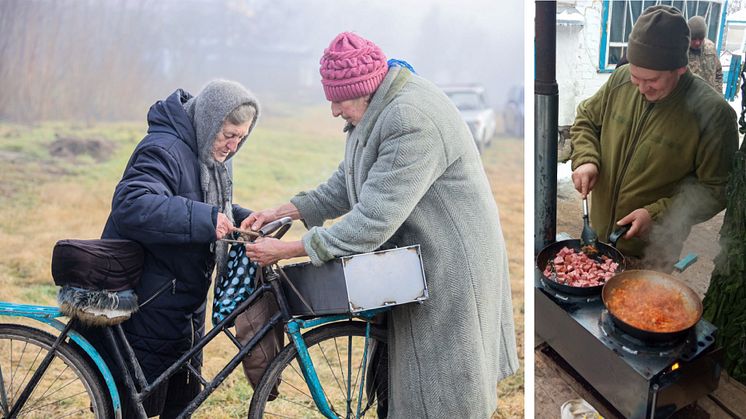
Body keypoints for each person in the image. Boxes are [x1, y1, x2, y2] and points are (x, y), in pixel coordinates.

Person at [241, 32, 518, 417]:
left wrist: (287, 250)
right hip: (412, 260)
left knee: (443, 392)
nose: (334, 110)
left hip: (452, 265)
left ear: (364, 88)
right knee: (402, 382)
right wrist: (282, 212)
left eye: (339, 100)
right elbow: (347, 182)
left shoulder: (410, 119)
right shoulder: (374, 112)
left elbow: (373, 219)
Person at [90, 79, 259, 418]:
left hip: (183, 304)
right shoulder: (163, 148)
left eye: (241, 138)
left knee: (178, 406)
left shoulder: (210, 152)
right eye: (228, 135)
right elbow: (132, 204)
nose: (233, 147)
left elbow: (203, 202)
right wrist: (205, 219)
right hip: (148, 300)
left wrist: (242, 218)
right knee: (133, 406)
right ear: (209, 121)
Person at [570, 5, 738, 270]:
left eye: (652, 80)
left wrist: (657, 214)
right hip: (599, 242)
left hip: (649, 255)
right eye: (636, 76)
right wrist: (586, 159)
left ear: (680, 69)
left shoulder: (715, 116)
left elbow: (716, 189)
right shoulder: (622, 80)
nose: (640, 88)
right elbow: (586, 120)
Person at [687, 15, 723, 93]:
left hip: (710, 99)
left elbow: (718, 73)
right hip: (690, 101)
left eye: (701, 38)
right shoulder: (681, 51)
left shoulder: (710, 47)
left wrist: (718, 94)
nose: (697, 42)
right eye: (693, 39)